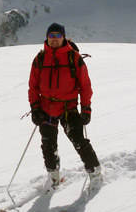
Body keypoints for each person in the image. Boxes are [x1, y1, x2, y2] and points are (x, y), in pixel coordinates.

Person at [28, 23, 101, 188]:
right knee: (48, 145)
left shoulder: (73, 57)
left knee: (79, 141)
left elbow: (85, 86)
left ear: (63, 37)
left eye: (57, 35)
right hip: (46, 109)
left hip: (69, 108)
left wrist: (86, 109)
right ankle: (53, 179)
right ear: (47, 37)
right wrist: (35, 108)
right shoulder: (39, 59)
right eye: (51, 36)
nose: (54, 39)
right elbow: (33, 87)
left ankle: (95, 175)